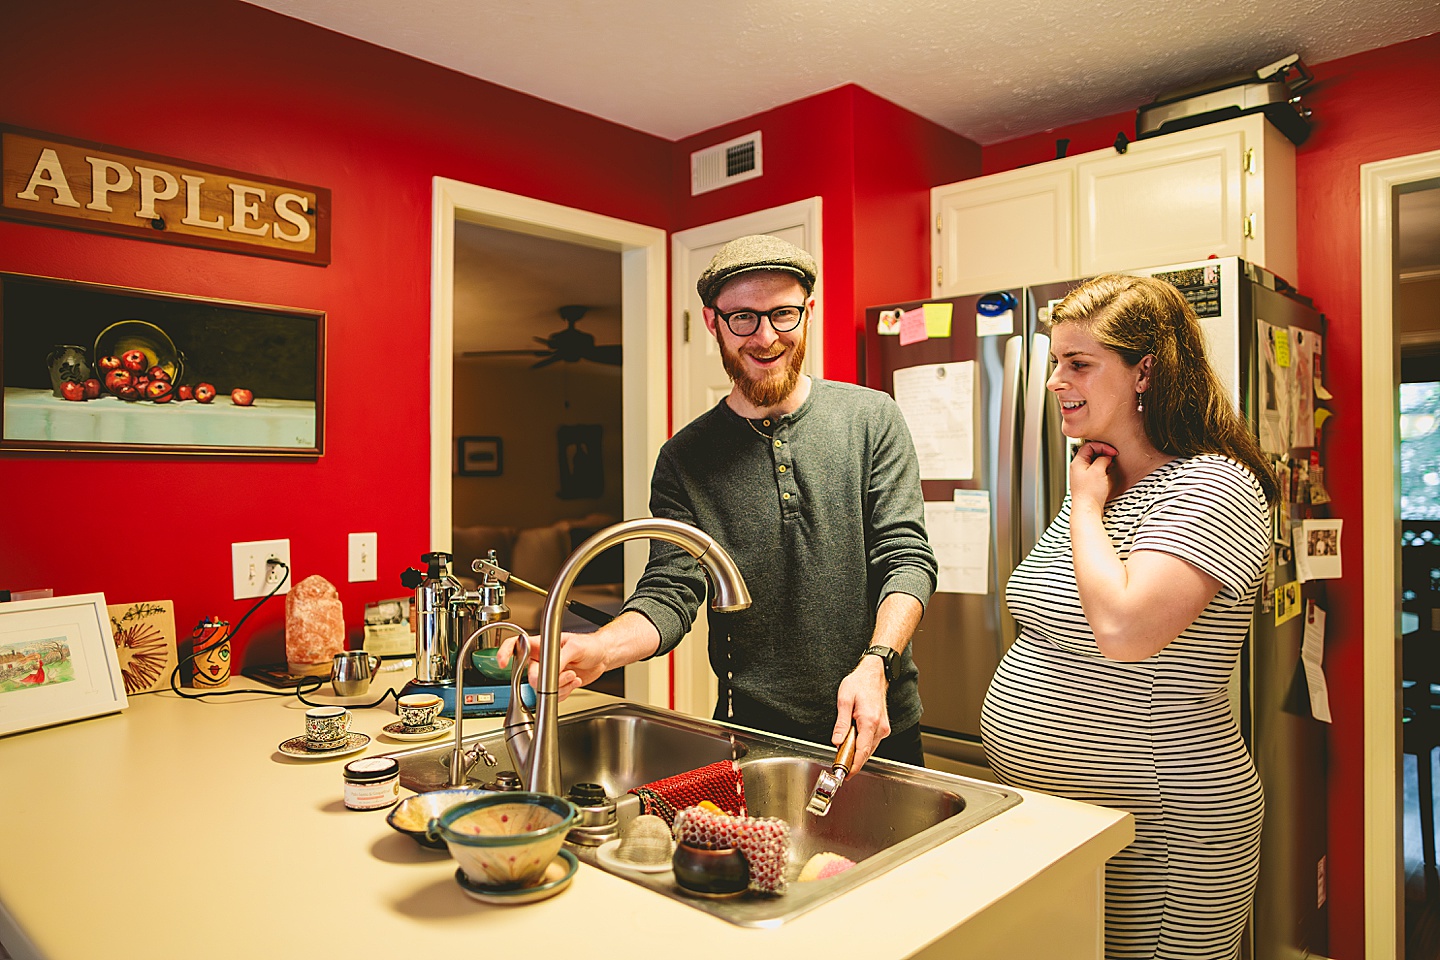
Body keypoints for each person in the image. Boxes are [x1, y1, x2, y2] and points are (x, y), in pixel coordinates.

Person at [500, 234, 937, 770]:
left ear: (809, 312)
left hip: (876, 719)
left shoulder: (873, 419)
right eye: (743, 319)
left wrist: (876, 664)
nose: (766, 337)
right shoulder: (685, 458)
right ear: (712, 322)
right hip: (751, 733)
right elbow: (670, 590)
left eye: (783, 314)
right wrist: (600, 649)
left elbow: (907, 559)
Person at [980, 274, 1276, 959]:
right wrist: (1089, 496)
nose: (1055, 381)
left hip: (1164, 834)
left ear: (1146, 370)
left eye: (1079, 364)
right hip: (1069, 823)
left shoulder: (1214, 483)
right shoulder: (1102, 477)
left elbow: (1124, 630)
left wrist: (1083, 504)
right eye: (1056, 361)